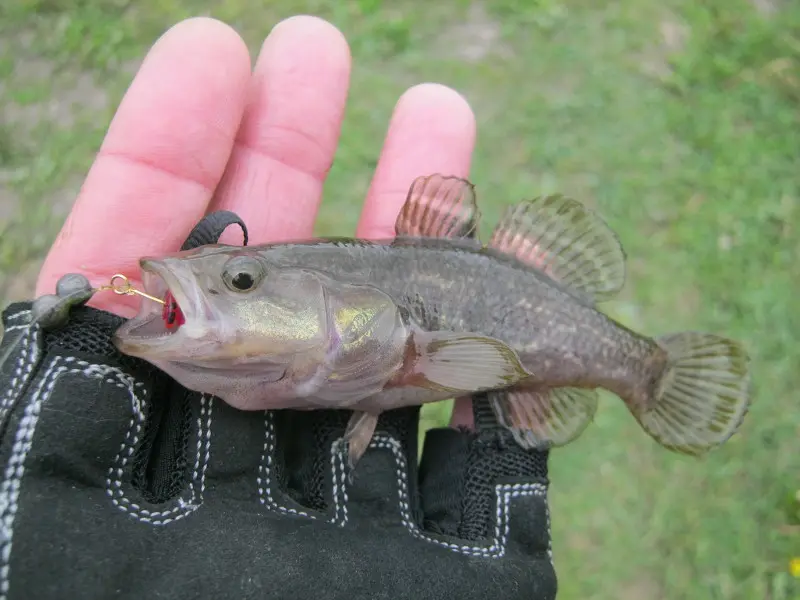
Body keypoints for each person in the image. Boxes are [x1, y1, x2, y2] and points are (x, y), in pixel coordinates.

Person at [0, 16, 557, 599]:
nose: (224, 285)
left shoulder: (409, 351)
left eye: (240, 279)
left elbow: (483, 364)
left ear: (363, 313)